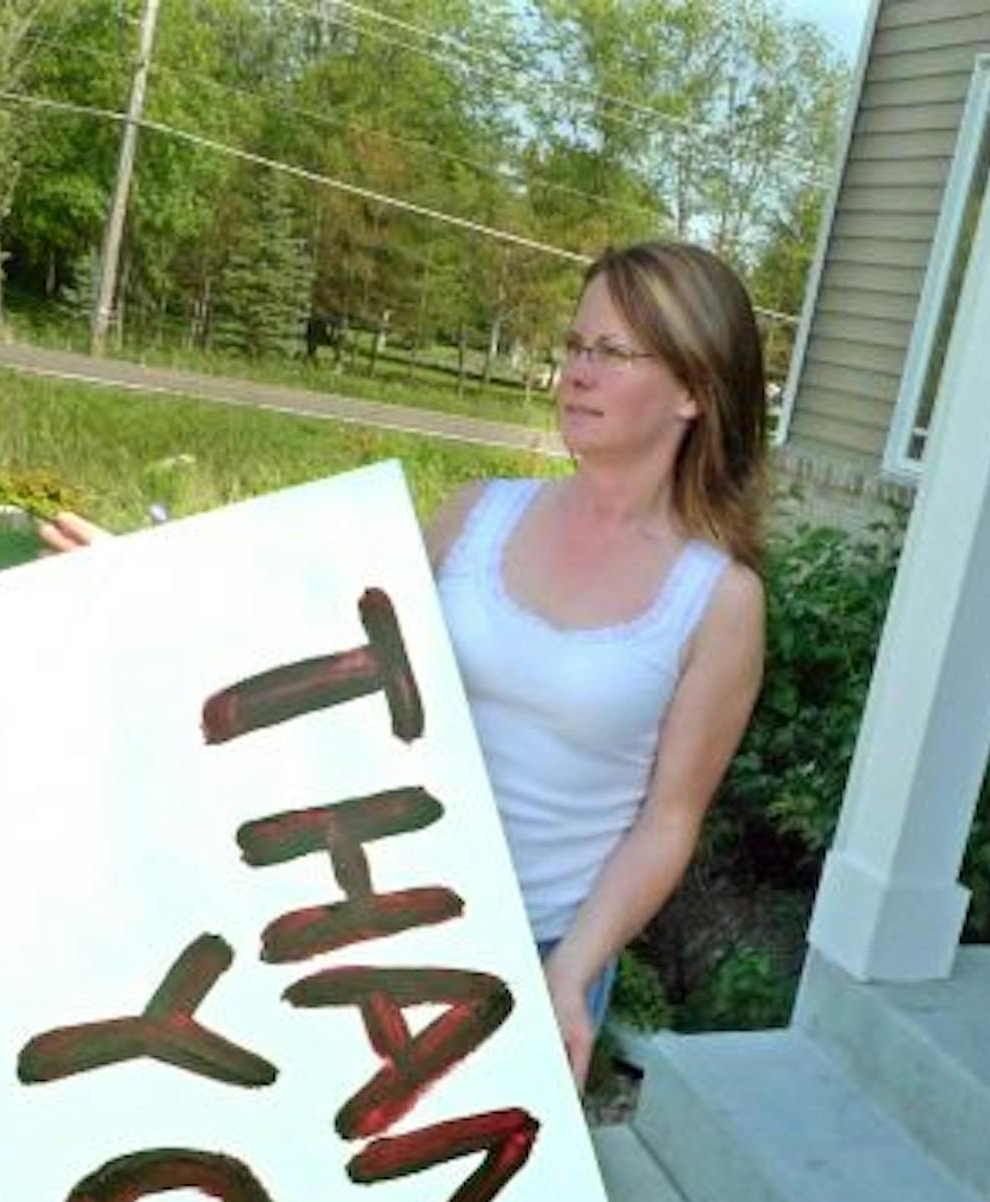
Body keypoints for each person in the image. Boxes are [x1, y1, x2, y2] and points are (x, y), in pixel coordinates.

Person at [40, 240, 769, 1087]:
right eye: (574, 346)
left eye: (613, 353)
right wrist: (145, 578)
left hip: (531, 954)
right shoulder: (477, 515)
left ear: (692, 389)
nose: (577, 372)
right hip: (371, 913)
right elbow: (316, 654)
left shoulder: (718, 600)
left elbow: (668, 819)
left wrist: (572, 971)